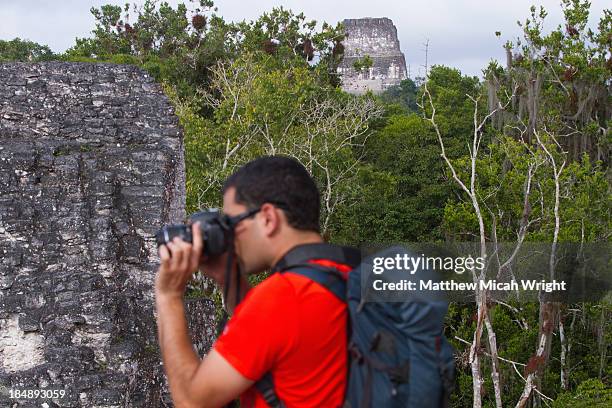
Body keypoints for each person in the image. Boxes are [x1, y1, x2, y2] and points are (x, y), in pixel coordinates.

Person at [155, 156, 353, 408]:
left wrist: (168, 296)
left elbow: (191, 401)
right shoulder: (345, 273)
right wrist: (229, 279)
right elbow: (281, 342)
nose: (230, 237)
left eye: (232, 223)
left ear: (268, 218)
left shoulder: (280, 298)